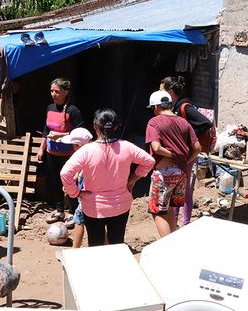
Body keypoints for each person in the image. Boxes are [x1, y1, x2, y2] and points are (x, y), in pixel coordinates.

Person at [60, 108, 154, 246]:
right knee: (117, 244)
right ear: (115, 127)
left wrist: (76, 193)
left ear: (95, 126)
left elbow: (65, 173)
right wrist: (134, 178)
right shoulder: (127, 147)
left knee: (96, 245)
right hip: (121, 205)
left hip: (93, 207)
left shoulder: (86, 150)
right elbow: (149, 161)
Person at [145, 90, 201, 238]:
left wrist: (173, 154)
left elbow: (156, 147)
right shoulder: (184, 122)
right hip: (181, 174)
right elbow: (197, 148)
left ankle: (167, 247)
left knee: (158, 212)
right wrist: (184, 159)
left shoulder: (154, 122)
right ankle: (174, 244)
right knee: (170, 209)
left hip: (164, 174)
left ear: (156, 107)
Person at [160, 76, 214, 226]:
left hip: (188, 154)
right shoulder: (173, 108)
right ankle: (176, 221)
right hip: (181, 154)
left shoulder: (184, 107)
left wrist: (190, 138)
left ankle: (185, 223)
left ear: (170, 92)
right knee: (179, 188)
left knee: (185, 189)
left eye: (161, 90)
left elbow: (206, 123)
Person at [36, 78, 84, 227]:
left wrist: (61, 135)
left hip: (69, 154)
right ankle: (59, 210)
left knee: (70, 182)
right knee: (55, 181)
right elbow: (46, 130)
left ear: (66, 92)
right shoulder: (50, 108)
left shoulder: (73, 111)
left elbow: (80, 133)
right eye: (52, 91)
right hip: (52, 153)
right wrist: (41, 149)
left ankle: (72, 211)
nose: (53, 94)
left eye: (57, 91)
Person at [57, 127, 94, 248]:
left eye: (73, 145)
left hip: (86, 192)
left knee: (79, 220)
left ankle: (75, 249)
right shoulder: (91, 152)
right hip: (85, 188)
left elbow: (66, 173)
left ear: (78, 145)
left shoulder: (85, 155)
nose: (72, 147)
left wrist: (73, 189)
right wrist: (72, 181)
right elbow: (79, 171)